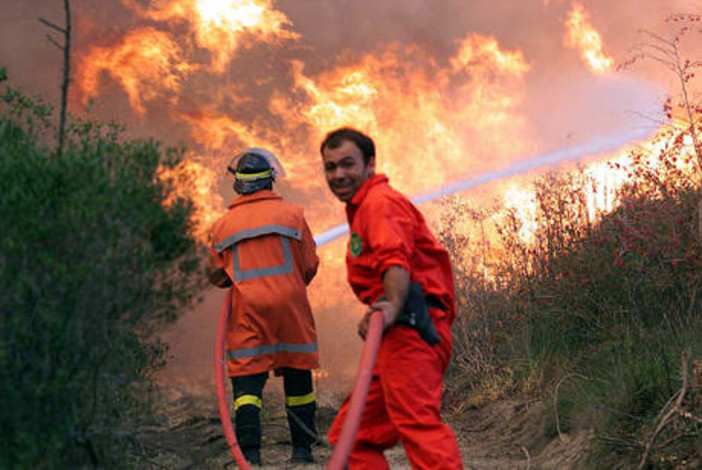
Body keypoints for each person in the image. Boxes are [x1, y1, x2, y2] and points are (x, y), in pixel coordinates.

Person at [320, 128, 463, 469]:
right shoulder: (363, 208)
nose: (338, 174)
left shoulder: (378, 203)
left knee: (417, 425)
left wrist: (392, 305)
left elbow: (394, 260)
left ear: (370, 164)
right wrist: (381, 310)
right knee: (353, 438)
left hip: (411, 331)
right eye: (330, 167)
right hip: (394, 334)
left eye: (347, 164)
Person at [207, 148, 320, 466]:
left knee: (247, 385)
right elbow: (309, 265)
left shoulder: (222, 226)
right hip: (291, 309)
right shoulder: (294, 215)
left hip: (248, 313)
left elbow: (217, 275)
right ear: (270, 182)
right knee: (298, 378)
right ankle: (302, 453)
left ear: (238, 186)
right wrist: (287, 287)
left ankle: (251, 458)